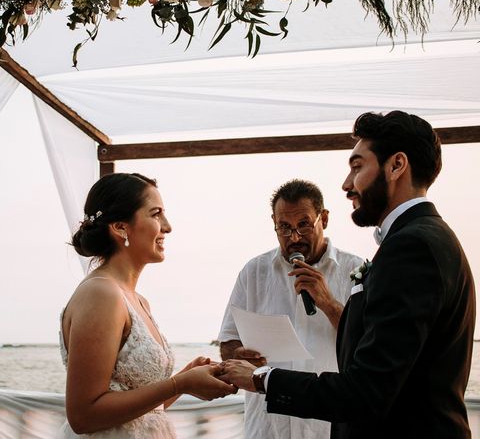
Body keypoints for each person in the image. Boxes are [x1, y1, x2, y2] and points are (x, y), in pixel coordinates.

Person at [219, 111, 476, 438]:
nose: (347, 184)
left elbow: (366, 391)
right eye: (283, 226)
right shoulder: (422, 239)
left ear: (396, 165)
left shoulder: (412, 247)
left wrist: (262, 379)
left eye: (357, 166)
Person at [60, 172, 236, 438]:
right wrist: (179, 383)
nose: (167, 226)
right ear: (121, 227)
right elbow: (83, 415)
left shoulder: (138, 300)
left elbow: (143, 411)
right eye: (156, 214)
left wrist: (186, 380)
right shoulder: (100, 294)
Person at [218, 179, 363, 439]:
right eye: (284, 227)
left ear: (324, 219)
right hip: (267, 428)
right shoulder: (254, 272)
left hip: (328, 428)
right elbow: (228, 342)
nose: (294, 238)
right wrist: (239, 353)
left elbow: (367, 345)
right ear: (273, 223)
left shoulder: (355, 270)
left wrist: (328, 304)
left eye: (303, 225)